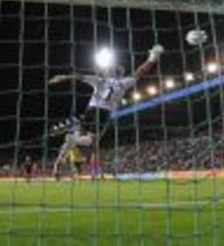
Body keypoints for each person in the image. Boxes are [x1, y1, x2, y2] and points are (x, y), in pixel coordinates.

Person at [50, 44, 163, 176]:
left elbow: (80, 76)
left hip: (90, 110)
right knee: (91, 141)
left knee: (84, 139)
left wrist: (63, 77)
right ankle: (73, 142)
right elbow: (140, 72)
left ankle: (60, 161)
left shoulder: (100, 80)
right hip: (103, 113)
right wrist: (152, 58)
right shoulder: (123, 83)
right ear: (120, 74)